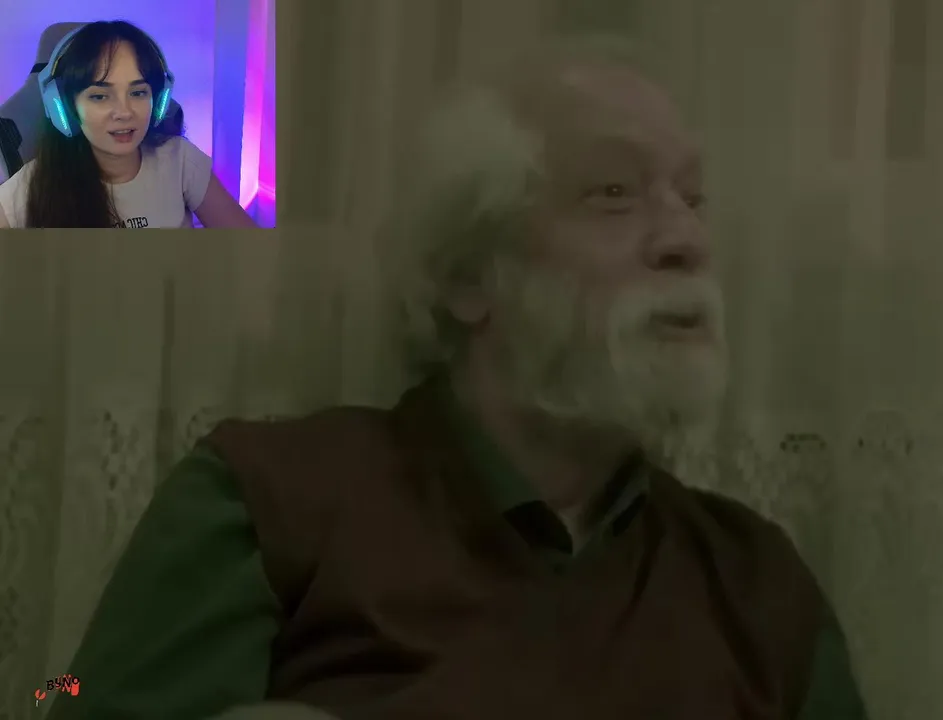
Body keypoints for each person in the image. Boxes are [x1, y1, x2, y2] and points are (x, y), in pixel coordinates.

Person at [46, 37, 868, 720]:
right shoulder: (268, 501)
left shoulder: (756, 585)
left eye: (693, 199)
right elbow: (79, 700)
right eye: (615, 192)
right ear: (470, 273)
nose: (687, 239)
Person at [0, 21, 256, 228]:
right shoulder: (33, 184)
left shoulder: (181, 160)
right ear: (65, 107)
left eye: (138, 92)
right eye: (99, 96)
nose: (124, 112)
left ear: (158, 101)